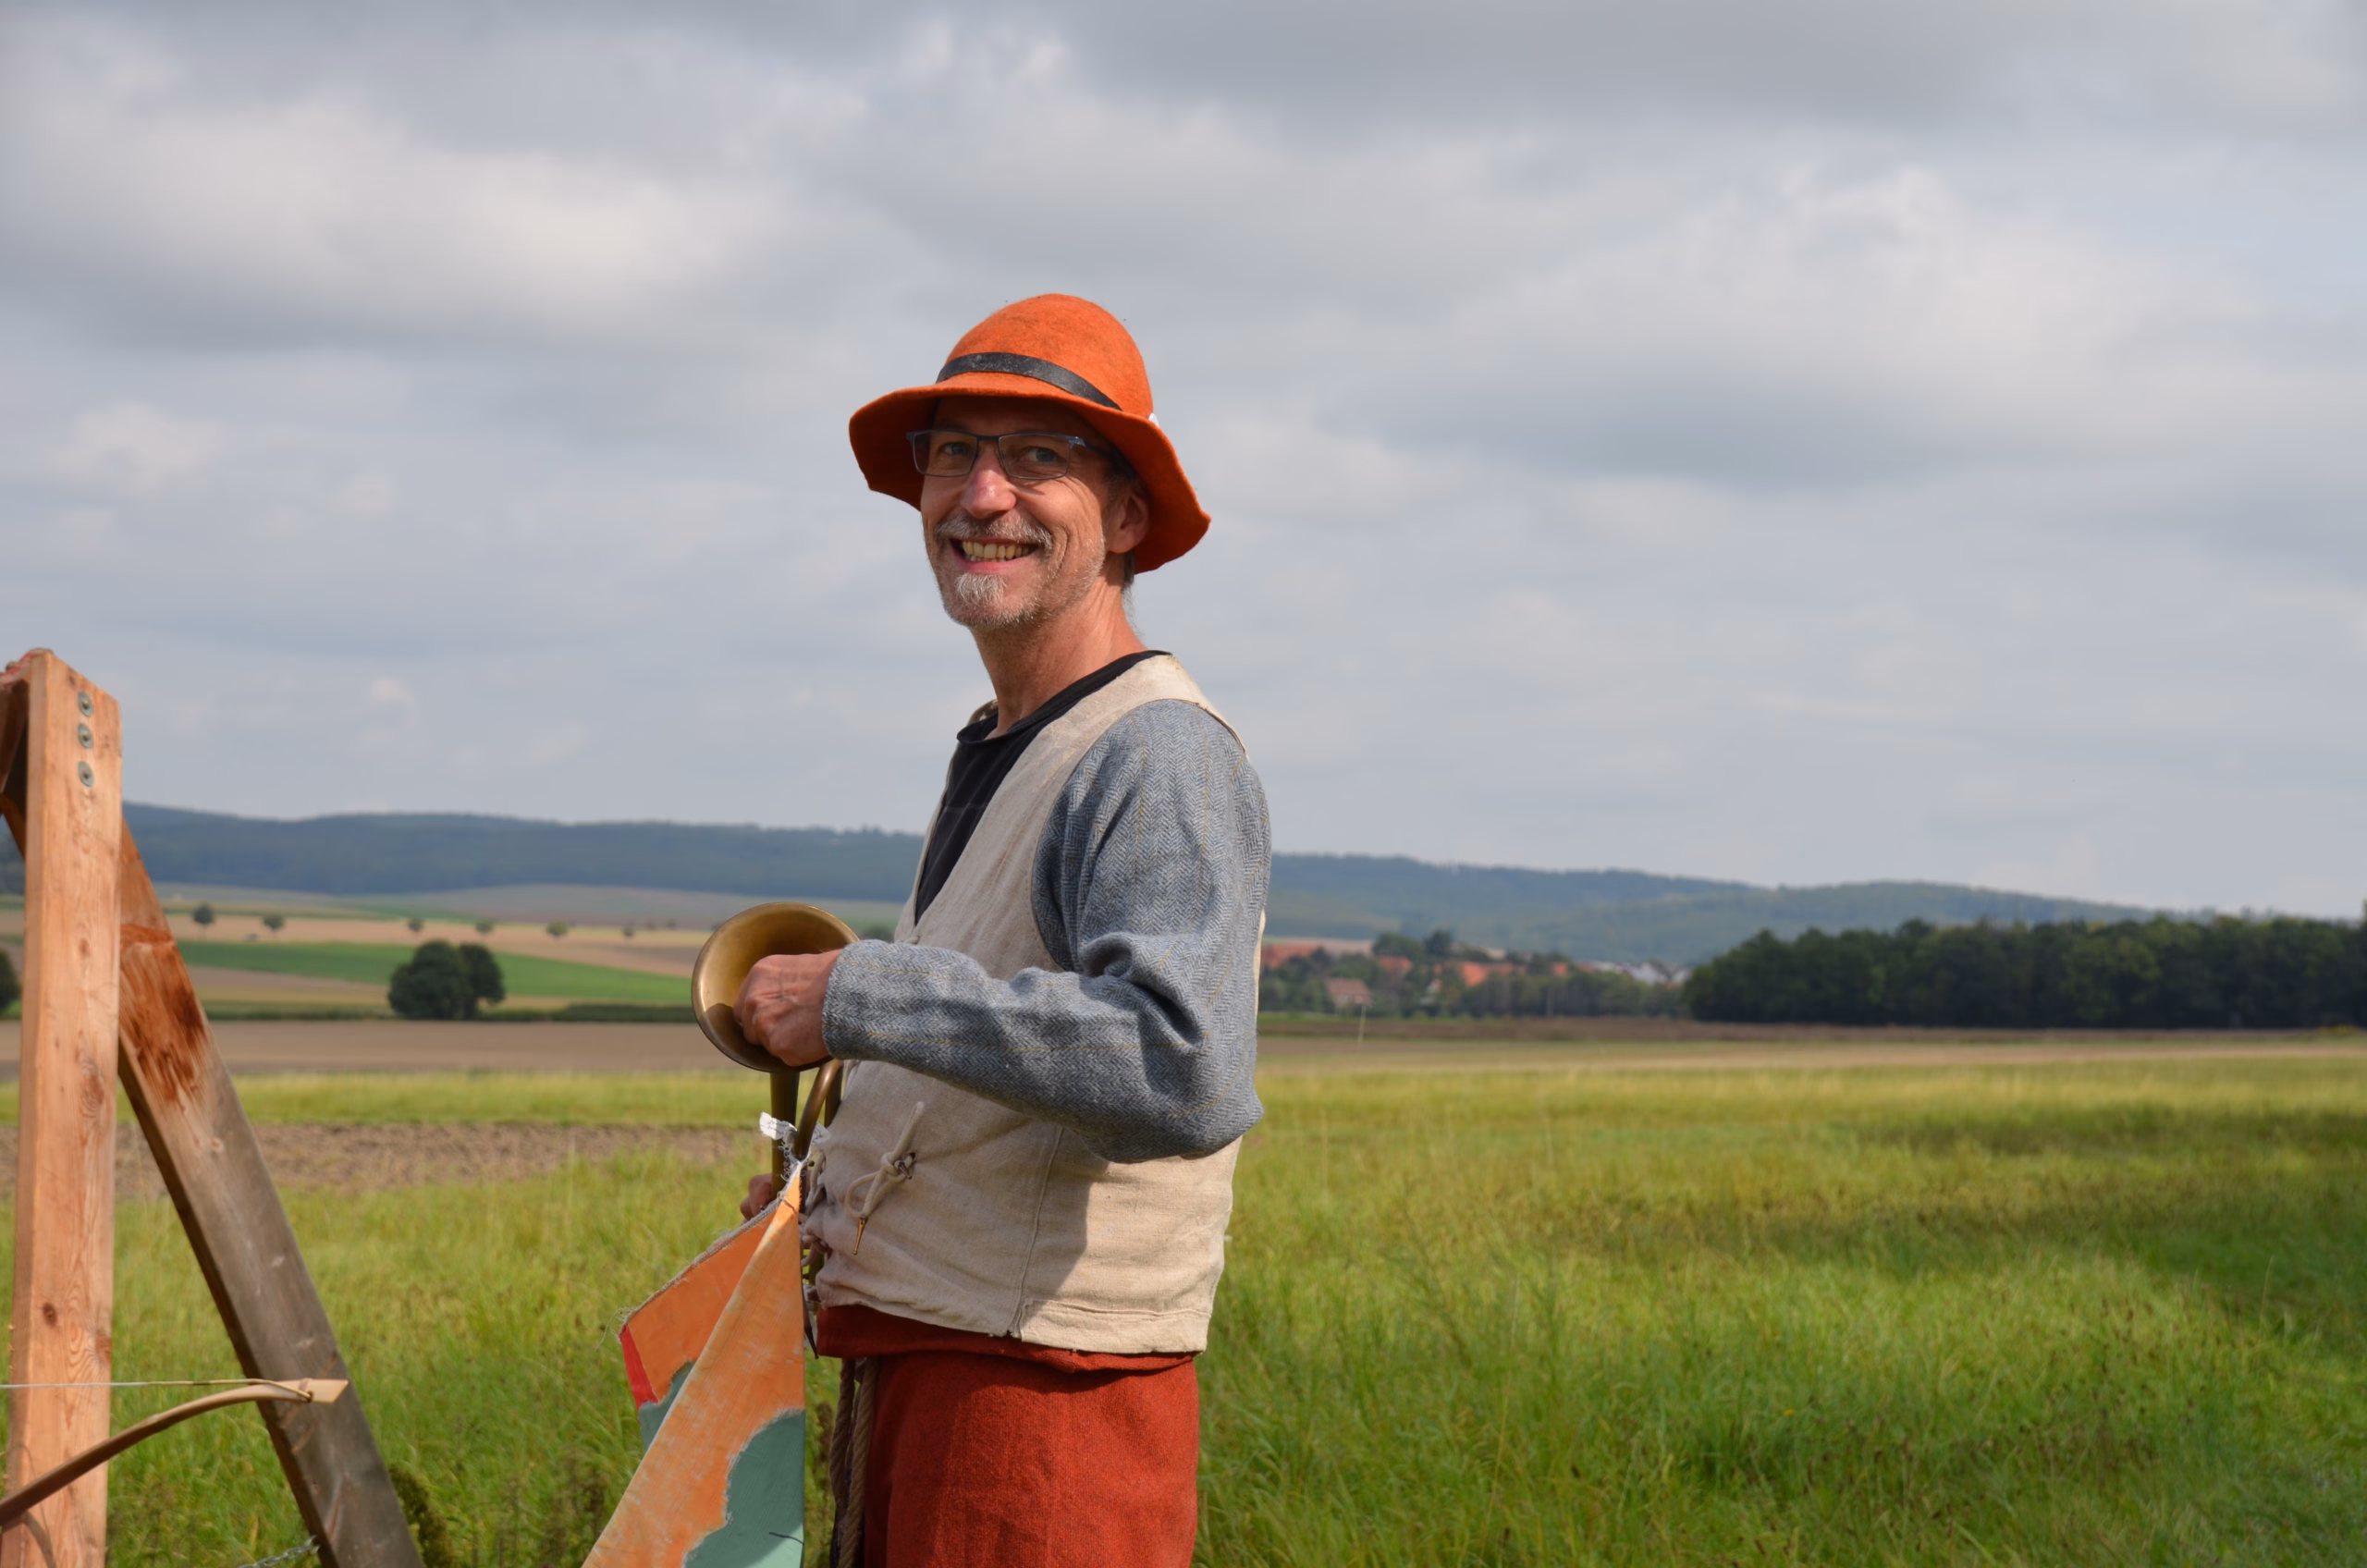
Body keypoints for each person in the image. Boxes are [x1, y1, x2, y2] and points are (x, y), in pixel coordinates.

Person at [731, 294, 1269, 1568]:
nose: (982, 494)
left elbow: (1178, 1066)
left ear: (1128, 517)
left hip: (1046, 1407)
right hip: (941, 1359)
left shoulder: (1159, 754)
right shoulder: (1004, 742)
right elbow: (1007, 1064)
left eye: (1038, 458)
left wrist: (863, 996)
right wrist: (841, 1197)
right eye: (952, 454)